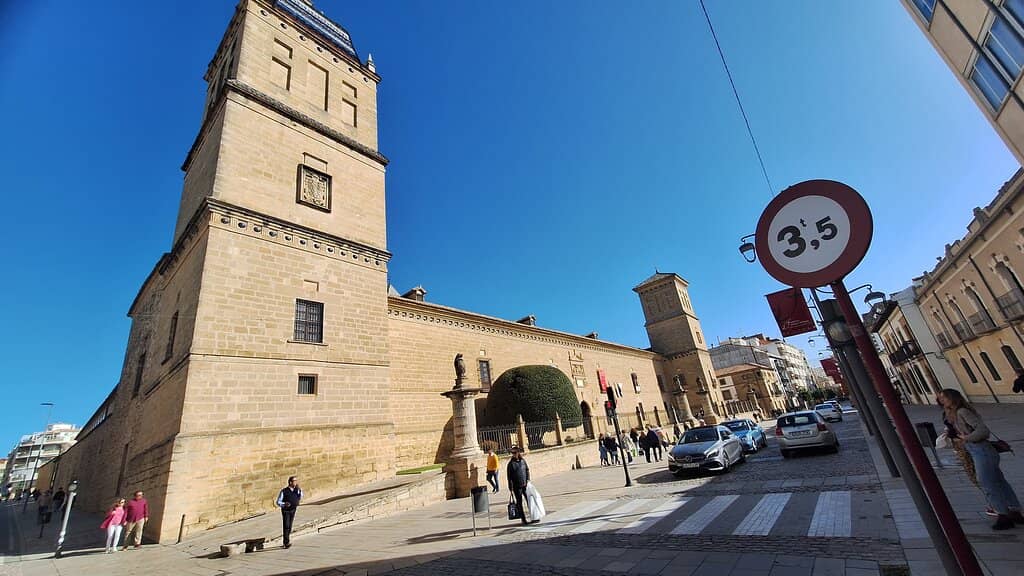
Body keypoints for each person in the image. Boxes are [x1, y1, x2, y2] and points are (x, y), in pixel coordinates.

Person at [940, 388, 1023, 530]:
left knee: (986, 482)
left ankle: (1003, 514)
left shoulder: (962, 412)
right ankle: (1014, 511)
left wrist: (966, 438)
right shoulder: (953, 413)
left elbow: (983, 431)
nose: (941, 400)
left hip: (982, 450)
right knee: (998, 481)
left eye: (944, 397)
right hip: (976, 450)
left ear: (952, 398)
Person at [506, 446, 531, 525]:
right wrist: (510, 487)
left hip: (525, 485)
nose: (513, 454)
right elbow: (509, 477)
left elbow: (527, 470)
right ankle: (523, 519)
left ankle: (533, 516)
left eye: (515, 453)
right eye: (512, 453)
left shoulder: (523, 461)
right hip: (517, 486)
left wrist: (528, 479)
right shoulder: (510, 464)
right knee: (519, 503)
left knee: (529, 501)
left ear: (518, 453)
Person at [276, 476, 302, 548]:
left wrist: (299, 491)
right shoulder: (284, 491)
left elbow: (300, 496)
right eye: (294, 481)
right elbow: (278, 502)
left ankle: (287, 539)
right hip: (286, 510)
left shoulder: (297, 490)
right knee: (286, 526)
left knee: (290, 526)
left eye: (296, 481)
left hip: (293, 509)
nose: (296, 482)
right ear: (290, 482)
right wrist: (284, 504)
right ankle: (286, 543)